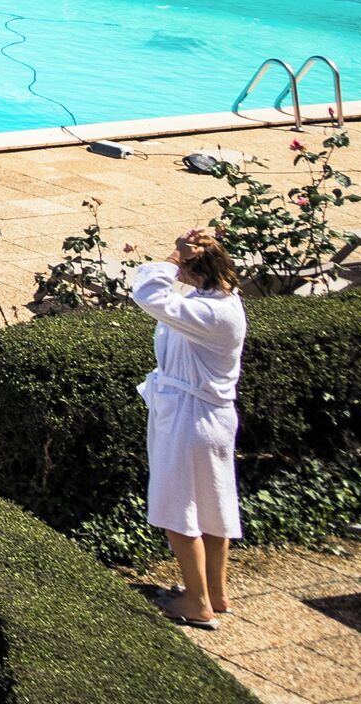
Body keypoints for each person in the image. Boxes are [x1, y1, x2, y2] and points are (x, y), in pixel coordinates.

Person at [130, 227, 248, 629]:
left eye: (184, 268)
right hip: (209, 418)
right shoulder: (220, 301)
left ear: (196, 271)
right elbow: (164, 295)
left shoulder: (210, 314)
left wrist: (173, 258)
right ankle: (215, 592)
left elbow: (148, 293)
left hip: (189, 419)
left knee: (178, 510)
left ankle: (197, 602)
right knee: (213, 507)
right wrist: (192, 252)